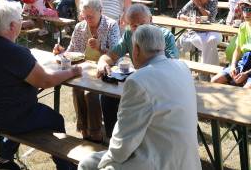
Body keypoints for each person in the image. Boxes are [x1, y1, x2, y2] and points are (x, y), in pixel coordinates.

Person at [0, 0, 80, 170]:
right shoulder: (15, 52)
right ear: (13, 25)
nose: (23, 23)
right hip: (5, 116)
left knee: (21, 115)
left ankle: (4, 161)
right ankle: (66, 167)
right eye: (20, 20)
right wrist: (72, 72)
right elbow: (46, 81)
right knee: (55, 119)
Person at [79, 25, 200, 170]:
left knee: (87, 165)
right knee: (89, 162)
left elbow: (122, 145)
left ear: (135, 50)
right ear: (162, 46)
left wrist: (106, 163)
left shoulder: (138, 81)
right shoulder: (183, 67)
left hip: (157, 162)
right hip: (187, 161)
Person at [96, 4, 179, 138]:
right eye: (134, 25)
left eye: (142, 24)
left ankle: (132, 139)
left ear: (151, 20)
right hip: (140, 83)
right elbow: (111, 56)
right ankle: (112, 138)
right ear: (129, 25)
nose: (139, 29)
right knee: (107, 96)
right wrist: (102, 62)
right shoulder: (129, 35)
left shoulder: (165, 36)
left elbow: (172, 65)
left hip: (160, 87)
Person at [53, 0, 120, 143]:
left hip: (105, 69)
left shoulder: (111, 25)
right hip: (84, 68)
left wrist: (101, 48)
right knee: (77, 89)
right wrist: (62, 52)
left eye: (91, 16)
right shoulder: (80, 26)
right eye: (85, 16)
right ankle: (84, 129)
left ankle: (95, 133)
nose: (87, 20)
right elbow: (72, 51)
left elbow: (117, 54)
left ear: (100, 11)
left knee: (91, 94)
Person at [213, 0, 251, 90]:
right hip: (243, 62)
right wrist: (232, 66)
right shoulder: (243, 26)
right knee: (215, 81)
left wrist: (247, 74)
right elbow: (237, 49)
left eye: (250, 9)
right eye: (244, 9)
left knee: (245, 91)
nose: (246, 12)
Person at [177, 0, 222, 73]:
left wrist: (199, 6)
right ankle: (213, 73)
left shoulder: (213, 1)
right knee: (209, 44)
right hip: (195, 32)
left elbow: (210, 17)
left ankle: (204, 72)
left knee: (212, 40)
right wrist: (189, 18)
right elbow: (179, 14)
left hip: (211, 30)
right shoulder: (193, 1)